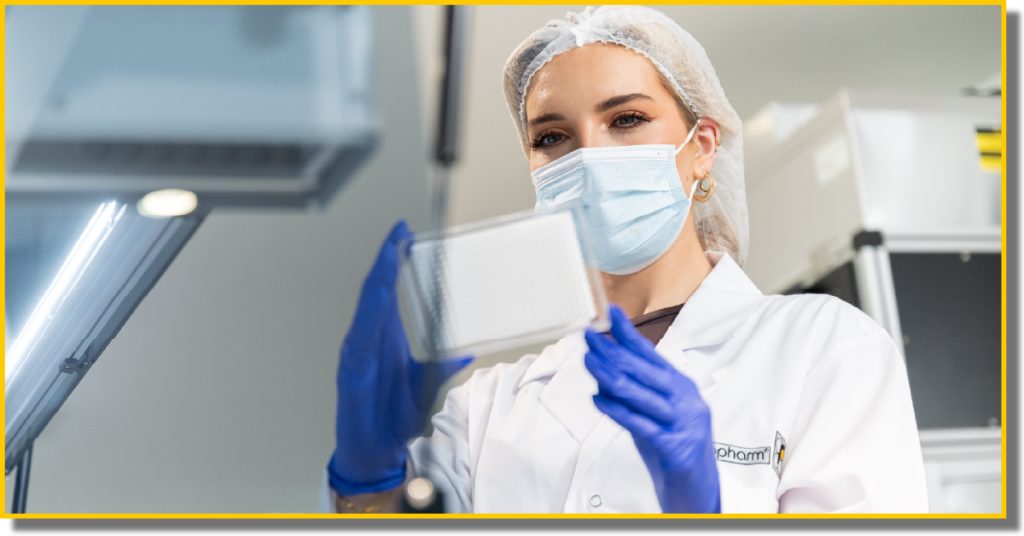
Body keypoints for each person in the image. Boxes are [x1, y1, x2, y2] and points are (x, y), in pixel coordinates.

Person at [321, 6, 929, 513]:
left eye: (628, 119)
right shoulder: (485, 410)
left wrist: (704, 512)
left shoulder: (822, 347)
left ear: (703, 148)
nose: (588, 155)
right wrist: (368, 478)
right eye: (551, 137)